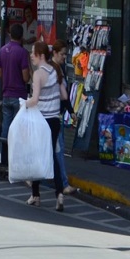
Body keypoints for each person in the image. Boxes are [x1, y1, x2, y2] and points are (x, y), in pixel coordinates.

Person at [25, 42, 69, 211]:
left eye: (33, 53)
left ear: (41, 56)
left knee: (37, 156)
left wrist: (24, 104)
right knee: (52, 156)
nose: (31, 56)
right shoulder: (55, 71)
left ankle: (35, 195)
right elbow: (64, 95)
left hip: (41, 120)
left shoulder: (38, 74)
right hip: (55, 121)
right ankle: (59, 193)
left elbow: (35, 99)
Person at [51, 40, 78, 195]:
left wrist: (71, 111)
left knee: (53, 150)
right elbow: (63, 96)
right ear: (54, 53)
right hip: (54, 115)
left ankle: (35, 179)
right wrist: (70, 111)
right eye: (62, 54)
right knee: (58, 150)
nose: (64, 57)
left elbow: (65, 97)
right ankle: (63, 184)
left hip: (57, 114)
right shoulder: (53, 70)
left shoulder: (58, 69)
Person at [0, 23, 30, 138]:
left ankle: (4, 154)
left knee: (6, 127)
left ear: (10, 35)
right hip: (19, 96)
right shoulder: (23, 53)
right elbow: (26, 77)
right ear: (21, 37)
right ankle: (15, 154)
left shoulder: (2, 50)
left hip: (6, 93)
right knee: (18, 129)